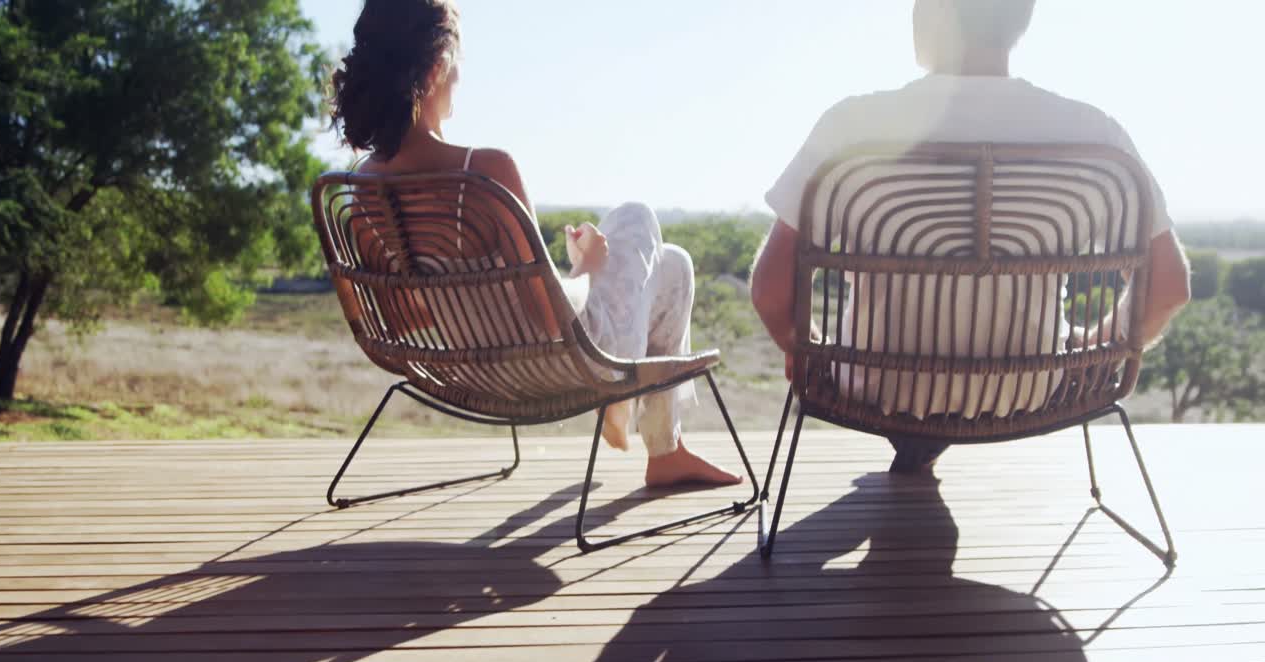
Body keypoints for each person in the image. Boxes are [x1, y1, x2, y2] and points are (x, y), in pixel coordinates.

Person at [750, 0, 1192, 474]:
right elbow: (1168, 288)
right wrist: (1095, 345)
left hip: (873, 383)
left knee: (888, 375)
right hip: (1027, 388)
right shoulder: (1095, 132)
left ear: (938, 12)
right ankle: (924, 446)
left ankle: (918, 440)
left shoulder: (852, 124)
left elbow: (770, 290)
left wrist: (809, 348)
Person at [329, 0, 740, 488]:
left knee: (674, 265)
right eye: (458, 65)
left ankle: (666, 452)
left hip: (469, 370)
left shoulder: (364, 190)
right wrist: (585, 269)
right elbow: (549, 320)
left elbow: (402, 320)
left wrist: (460, 300)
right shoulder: (483, 171)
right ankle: (622, 404)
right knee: (636, 217)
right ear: (438, 67)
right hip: (564, 363)